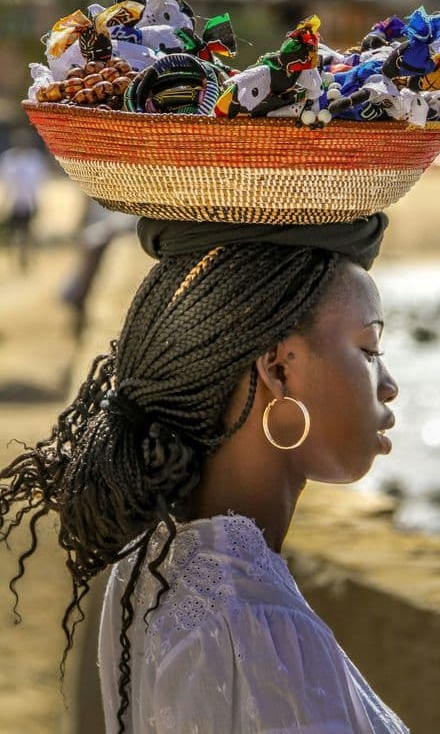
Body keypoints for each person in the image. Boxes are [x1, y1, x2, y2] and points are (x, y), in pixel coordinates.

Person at [0, 213, 410, 734]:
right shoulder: (258, 624)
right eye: (369, 350)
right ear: (279, 369)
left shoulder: (151, 567)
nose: (389, 384)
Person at [0, 126, 48, 271]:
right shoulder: (9, 159)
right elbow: (7, 182)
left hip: (30, 202)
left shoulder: (34, 159)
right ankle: (17, 259)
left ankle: (28, 258)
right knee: (15, 233)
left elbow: (39, 181)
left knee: (29, 231)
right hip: (15, 202)